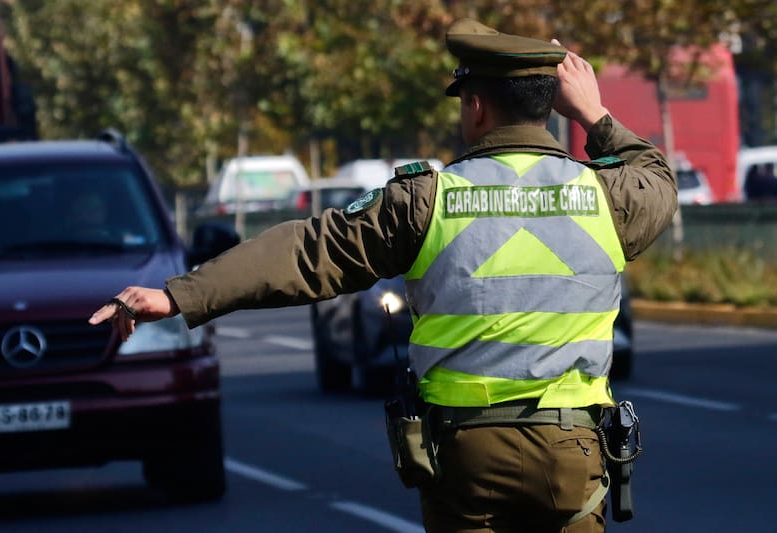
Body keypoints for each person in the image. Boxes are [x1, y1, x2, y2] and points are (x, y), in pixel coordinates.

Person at [90, 18, 677, 533]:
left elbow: (304, 254)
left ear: (475, 106)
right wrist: (594, 113)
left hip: (466, 454)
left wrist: (178, 295)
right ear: (550, 104)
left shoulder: (427, 200)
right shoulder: (608, 197)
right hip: (571, 451)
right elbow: (657, 176)